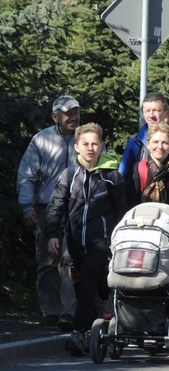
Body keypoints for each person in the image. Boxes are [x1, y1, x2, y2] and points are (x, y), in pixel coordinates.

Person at [44, 123, 126, 356]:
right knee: (85, 288)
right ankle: (95, 327)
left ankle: (79, 332)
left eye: (95, 143)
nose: (90, 148)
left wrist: (118, 242)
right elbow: (55, 207)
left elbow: (122, 212)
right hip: (76, 243)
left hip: (102, 242)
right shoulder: (69, 175)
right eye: (85, 144)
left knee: (88, 281)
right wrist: (52, 235)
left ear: (101, 145)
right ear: (77, 147)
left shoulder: (112, 176)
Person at [16, 96, 79, 330]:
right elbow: (27, 176)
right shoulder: (41, 140)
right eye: (67, 113)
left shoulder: (86, 138)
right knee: (46, 261)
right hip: (45, 207)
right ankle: (49, 311)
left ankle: (68, 312)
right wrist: (27, 206)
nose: (73, 116)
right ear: (55, 116)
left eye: (76, 112)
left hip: (76, 207)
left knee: (68, 258)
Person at [119, 92, 169, 192]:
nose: (151, 115)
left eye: (156, 110)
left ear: (165, 113)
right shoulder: (134, 143)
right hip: (139, 202)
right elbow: (121, 175)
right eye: (147, 111)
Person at [132, 122, 169, 214]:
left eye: (165, 143)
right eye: (155, 142)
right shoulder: (139, 168)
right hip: (142, 219)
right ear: (147, 144)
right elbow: (132, 202)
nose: (160, 147)